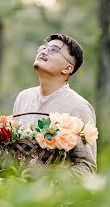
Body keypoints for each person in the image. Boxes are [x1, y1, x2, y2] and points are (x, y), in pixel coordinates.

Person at [12, 34, 97, 178]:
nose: (43, 51)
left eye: (53, 50)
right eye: (43, 48)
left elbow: (87, 167)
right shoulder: (23, 98)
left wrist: (51, 181)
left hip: (55, 198)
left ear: (67, 68)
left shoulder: (78, 106)